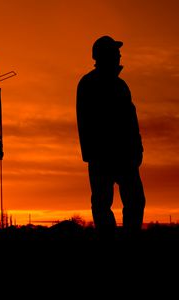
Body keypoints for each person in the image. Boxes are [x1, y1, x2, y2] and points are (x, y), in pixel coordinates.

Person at [76, 35, 146, 240]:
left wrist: (137, 148)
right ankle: (110, 242)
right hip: (105, 157)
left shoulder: (119, 85)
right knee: (103, 203)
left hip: (123, 157)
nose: (120, 55)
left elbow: (131, 121)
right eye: (115, 52)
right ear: (105, 56)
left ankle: (125, 239)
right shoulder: (90, 84)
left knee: (132, 201)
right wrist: (92, 155)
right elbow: (85, 122)